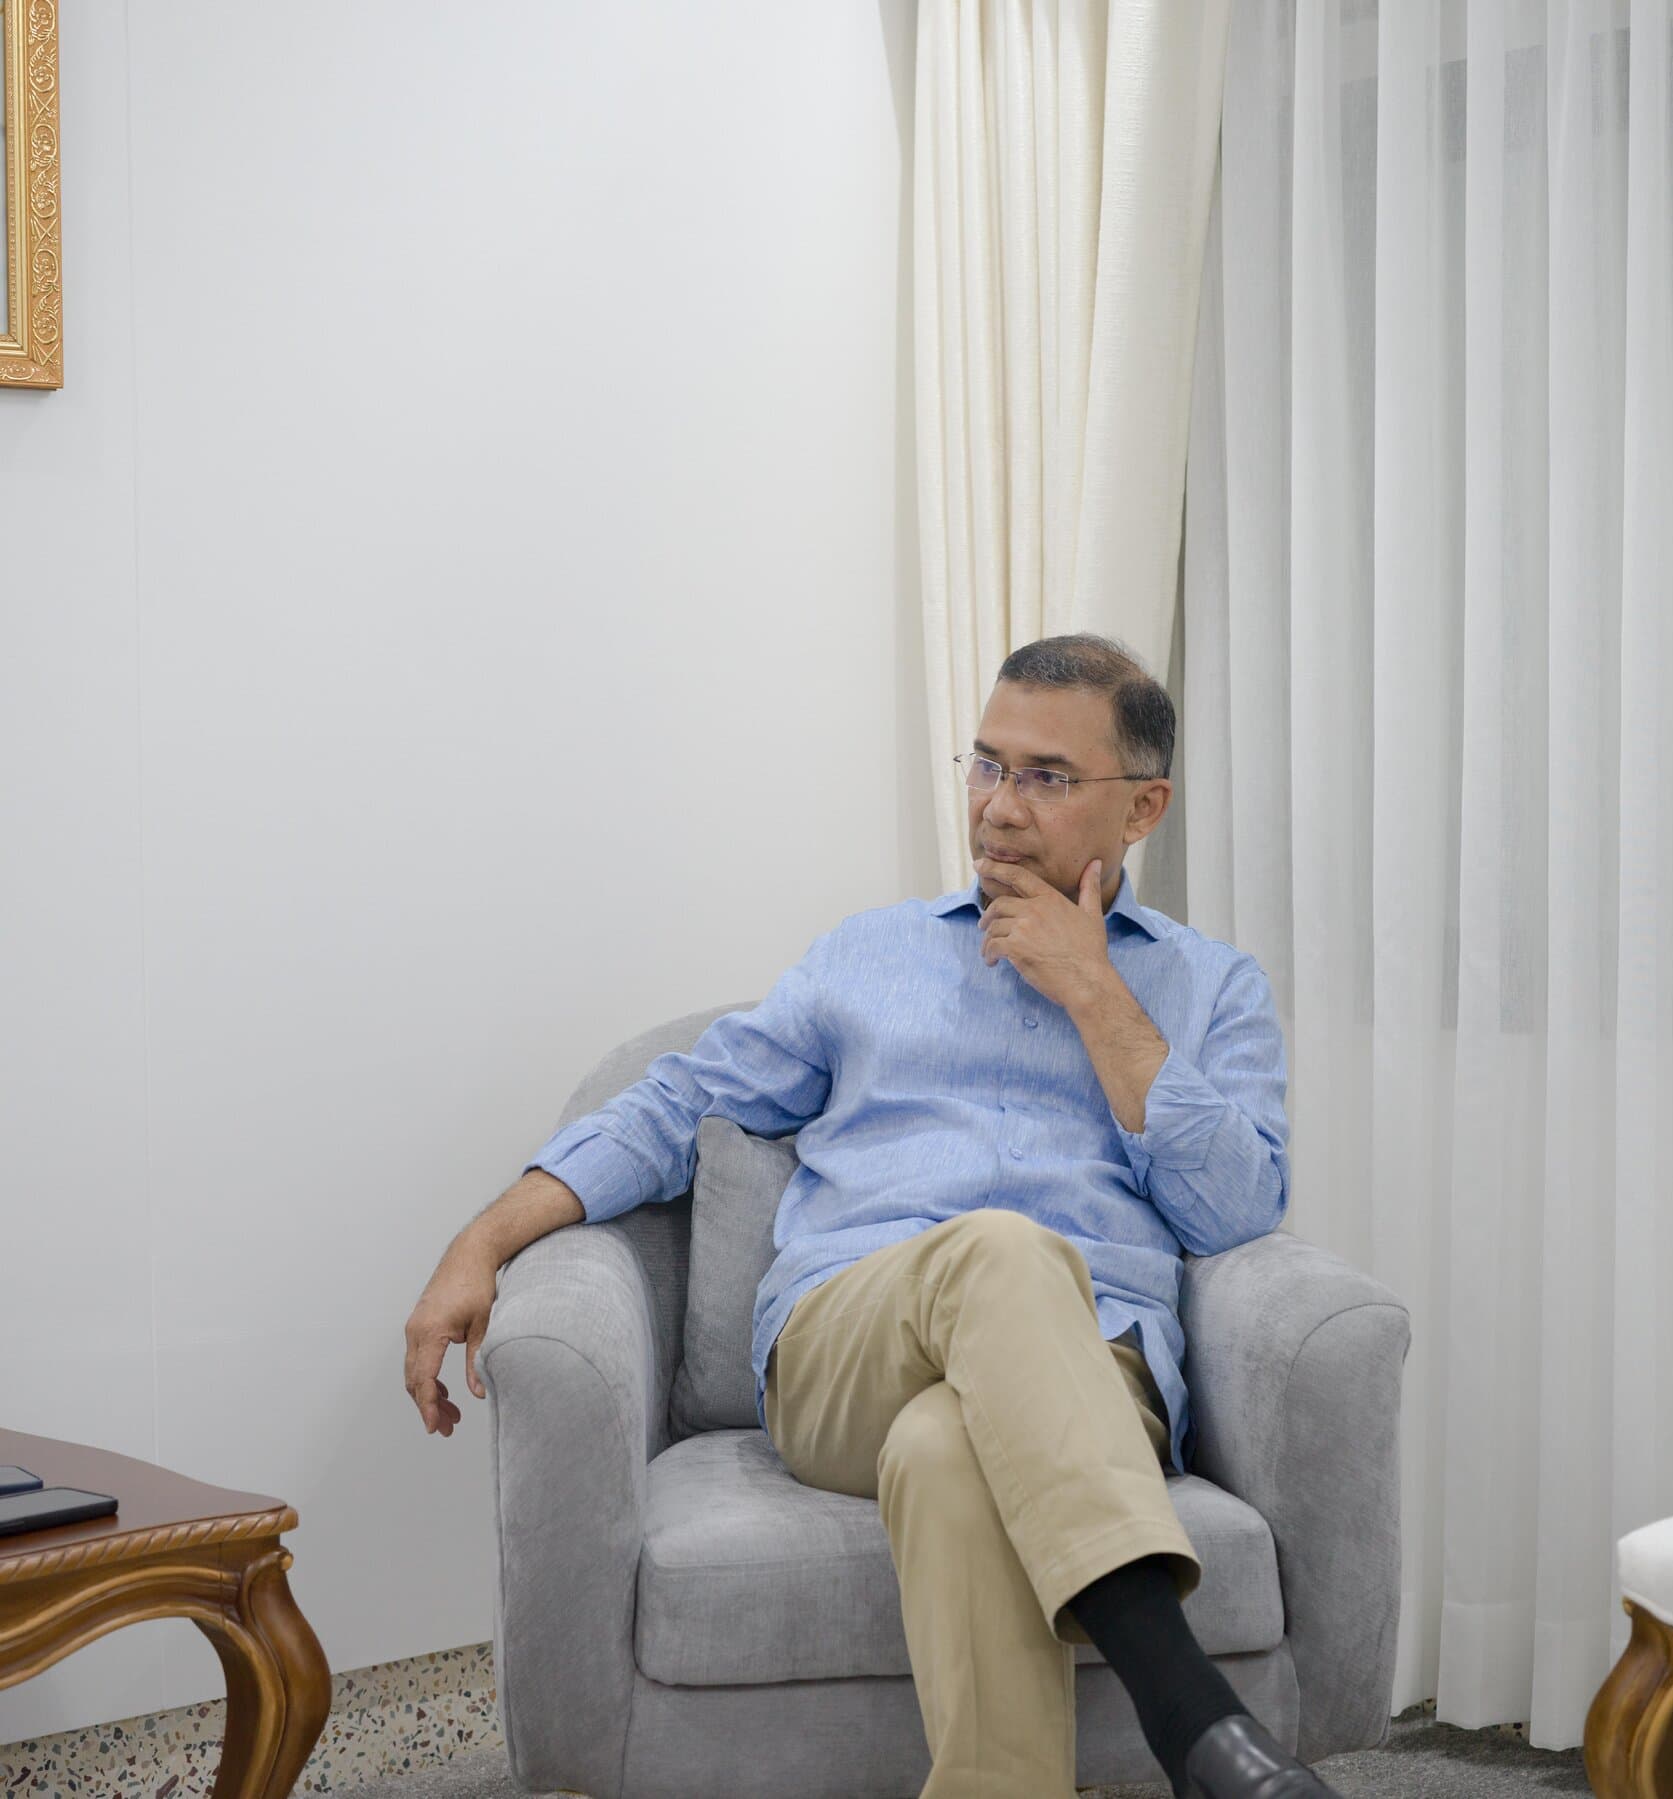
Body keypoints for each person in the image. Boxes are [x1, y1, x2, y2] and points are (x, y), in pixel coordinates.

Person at [403, 633, 1343, 1799]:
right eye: (987, 764)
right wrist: (480, 1243)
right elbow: (674, 1104)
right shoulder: (869, 956)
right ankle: (1188, 1705)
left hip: (1096, 1369)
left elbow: (1236, 1207)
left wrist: (1097, 989)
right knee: (999, 1249)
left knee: (951, 1447)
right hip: (848, 1347)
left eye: (1046, 777)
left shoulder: (1211, 988)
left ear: (1142, 805)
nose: (1000, 807)